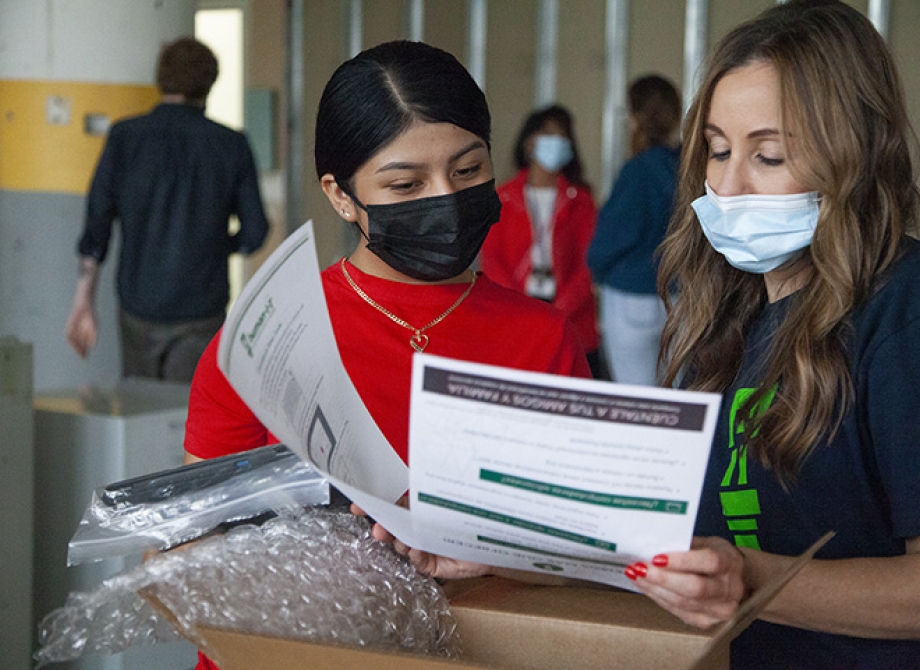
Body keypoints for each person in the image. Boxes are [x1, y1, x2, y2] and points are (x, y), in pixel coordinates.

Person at [182, 40, 590, 670]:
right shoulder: (268, 338)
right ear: (342, 196)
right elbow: (188, 546)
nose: (446, 197)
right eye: (405, 183)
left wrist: (494, 549)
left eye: (468, 170)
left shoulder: (542, 337)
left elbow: (588, 553)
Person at [616, 1, 920, 667]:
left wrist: (750, 579)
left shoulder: (901, 311)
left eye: (770, 155)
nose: (727, 186)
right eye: (718, 151)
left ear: (856, 156)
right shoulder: (728, 314)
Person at [65, 37, 269, 383]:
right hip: (201, 309)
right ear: (209, 84)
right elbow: (255, 232)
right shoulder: (230, 144)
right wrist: (217, 246)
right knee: (188, 419)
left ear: (161, 80)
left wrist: (83, 302)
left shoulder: (125, 137)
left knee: (142, 414)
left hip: (138, 306)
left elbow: (97, 223)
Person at [478, 105, 604, 378]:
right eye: (549, 134)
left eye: (563, 136)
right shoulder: (503, 198)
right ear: (529, 142)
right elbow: (491, 258)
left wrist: (560, 309)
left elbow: (591, 262)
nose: (557, 142)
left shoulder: (580, 200)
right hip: (515, 311)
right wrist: (518, 305)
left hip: (570, 315)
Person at [587, 75, 681, 386]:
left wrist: (597, 269)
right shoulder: (688, 166)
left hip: (631, 297)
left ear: (637, 117)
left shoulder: (638, 170)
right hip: (681, 297)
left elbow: (612, 238)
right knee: (677, 400)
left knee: (636, 401)